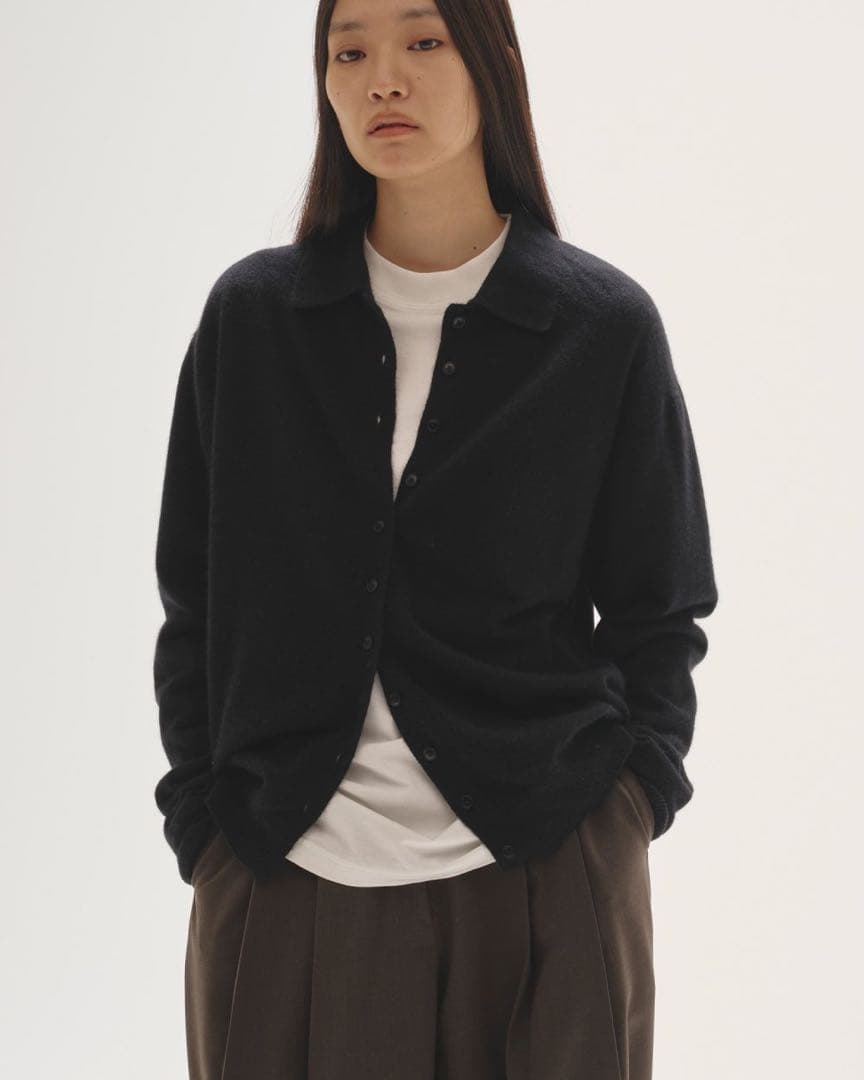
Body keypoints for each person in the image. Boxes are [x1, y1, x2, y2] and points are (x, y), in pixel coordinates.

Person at [152, 1, 719, 1077]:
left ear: (494, 61)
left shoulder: (602, 329)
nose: (383, 79)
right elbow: (195, 600)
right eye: (349, 51)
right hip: (282, 878)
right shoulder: (252, 323)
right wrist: (206, 826)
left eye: (422, 41)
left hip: (546, 870)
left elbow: (663, 606)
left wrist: (625, 809)